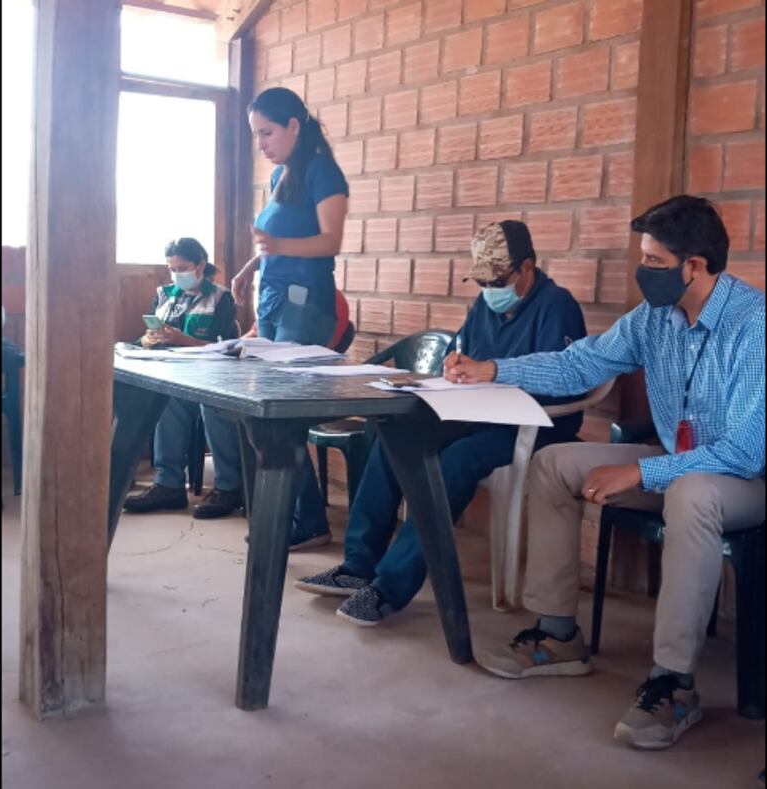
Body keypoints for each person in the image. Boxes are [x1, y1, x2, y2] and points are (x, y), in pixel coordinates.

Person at [446, 196, 765, 751]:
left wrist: (645, 473)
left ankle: (674, 681)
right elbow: (578, 363)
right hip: (673, 465)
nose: (644, 272)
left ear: (694, 265)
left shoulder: (753, 325)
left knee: (690, 493)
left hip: (743, 480)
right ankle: (557, 634)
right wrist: (494, 369)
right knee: (553, 464)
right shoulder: (654, 320)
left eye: (654, 262)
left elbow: (743, 451)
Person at [295, 220, 588, 624]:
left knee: (456, 461)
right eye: (482, 281)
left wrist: (493, 372)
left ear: (527, 268)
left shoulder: (557, 306)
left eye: (497, 279)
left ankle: (390, 587)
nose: (490, 290)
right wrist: (455, 365)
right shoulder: (486, 304)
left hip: (531, 425)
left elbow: (565, 381)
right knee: (392, 433)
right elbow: (462, 351)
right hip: (475, 411)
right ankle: (359, 564)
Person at [197, 87, 349, 548]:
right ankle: (298, 513)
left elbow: (330, 242)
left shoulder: (323, 172)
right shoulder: (283, 175)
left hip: (307, 303)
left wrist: (277, 249)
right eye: (255, 135)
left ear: (294, 127)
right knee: (257, 410)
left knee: (278, 416)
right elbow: (272, 242)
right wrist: (248, 268)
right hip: (276, 300)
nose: (261, 143)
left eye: (267, 132)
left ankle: (306, 521)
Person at [123, 238, 242, 517]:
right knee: (167, 403)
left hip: (212, 379)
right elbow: (148, 335)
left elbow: (226, 347)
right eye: (172, 268)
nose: (177, 273)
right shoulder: (164, 295)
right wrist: (147, 340)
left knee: (211, 405)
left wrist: (182, 339)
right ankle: (169, 485)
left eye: (183, 267)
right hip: (174, 376)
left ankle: (228, 487)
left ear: (201, 265)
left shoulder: (221, 298)